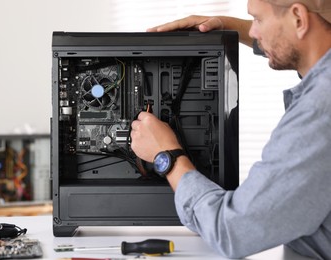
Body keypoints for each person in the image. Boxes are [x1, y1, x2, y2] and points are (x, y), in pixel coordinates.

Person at [130, 0, 331, 259]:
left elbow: (232, 231)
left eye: (257, 20)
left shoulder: (318, 111)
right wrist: (225, 27)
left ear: (299, 20)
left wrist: (167, 156)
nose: (253, 32)